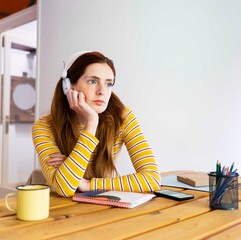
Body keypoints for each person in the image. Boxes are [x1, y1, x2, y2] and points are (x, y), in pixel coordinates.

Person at [32, 51, 161, 197]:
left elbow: (152, 179)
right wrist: (92, 122)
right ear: (68, 86)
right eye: (92, 81)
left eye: (108, 84)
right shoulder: (43, 127)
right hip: (61, 211)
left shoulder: (123, 117)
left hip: (104, 205)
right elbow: (65, 188)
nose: (102, 91)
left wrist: (88, 184)